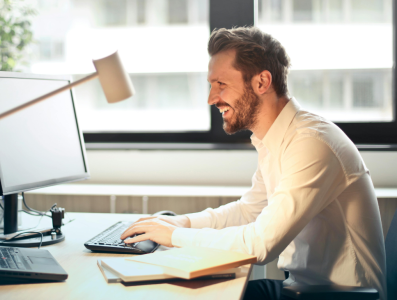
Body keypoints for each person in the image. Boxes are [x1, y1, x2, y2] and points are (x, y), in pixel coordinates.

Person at [120, 27, 386, 300]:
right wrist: (179, 223)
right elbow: (250, 211)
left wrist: (173, 236)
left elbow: (260, 244)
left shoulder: (312, 144)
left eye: (221, 84)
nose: (212, 98)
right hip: (298, 289)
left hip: (337, 297)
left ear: (262, 82)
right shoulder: (276, 138)